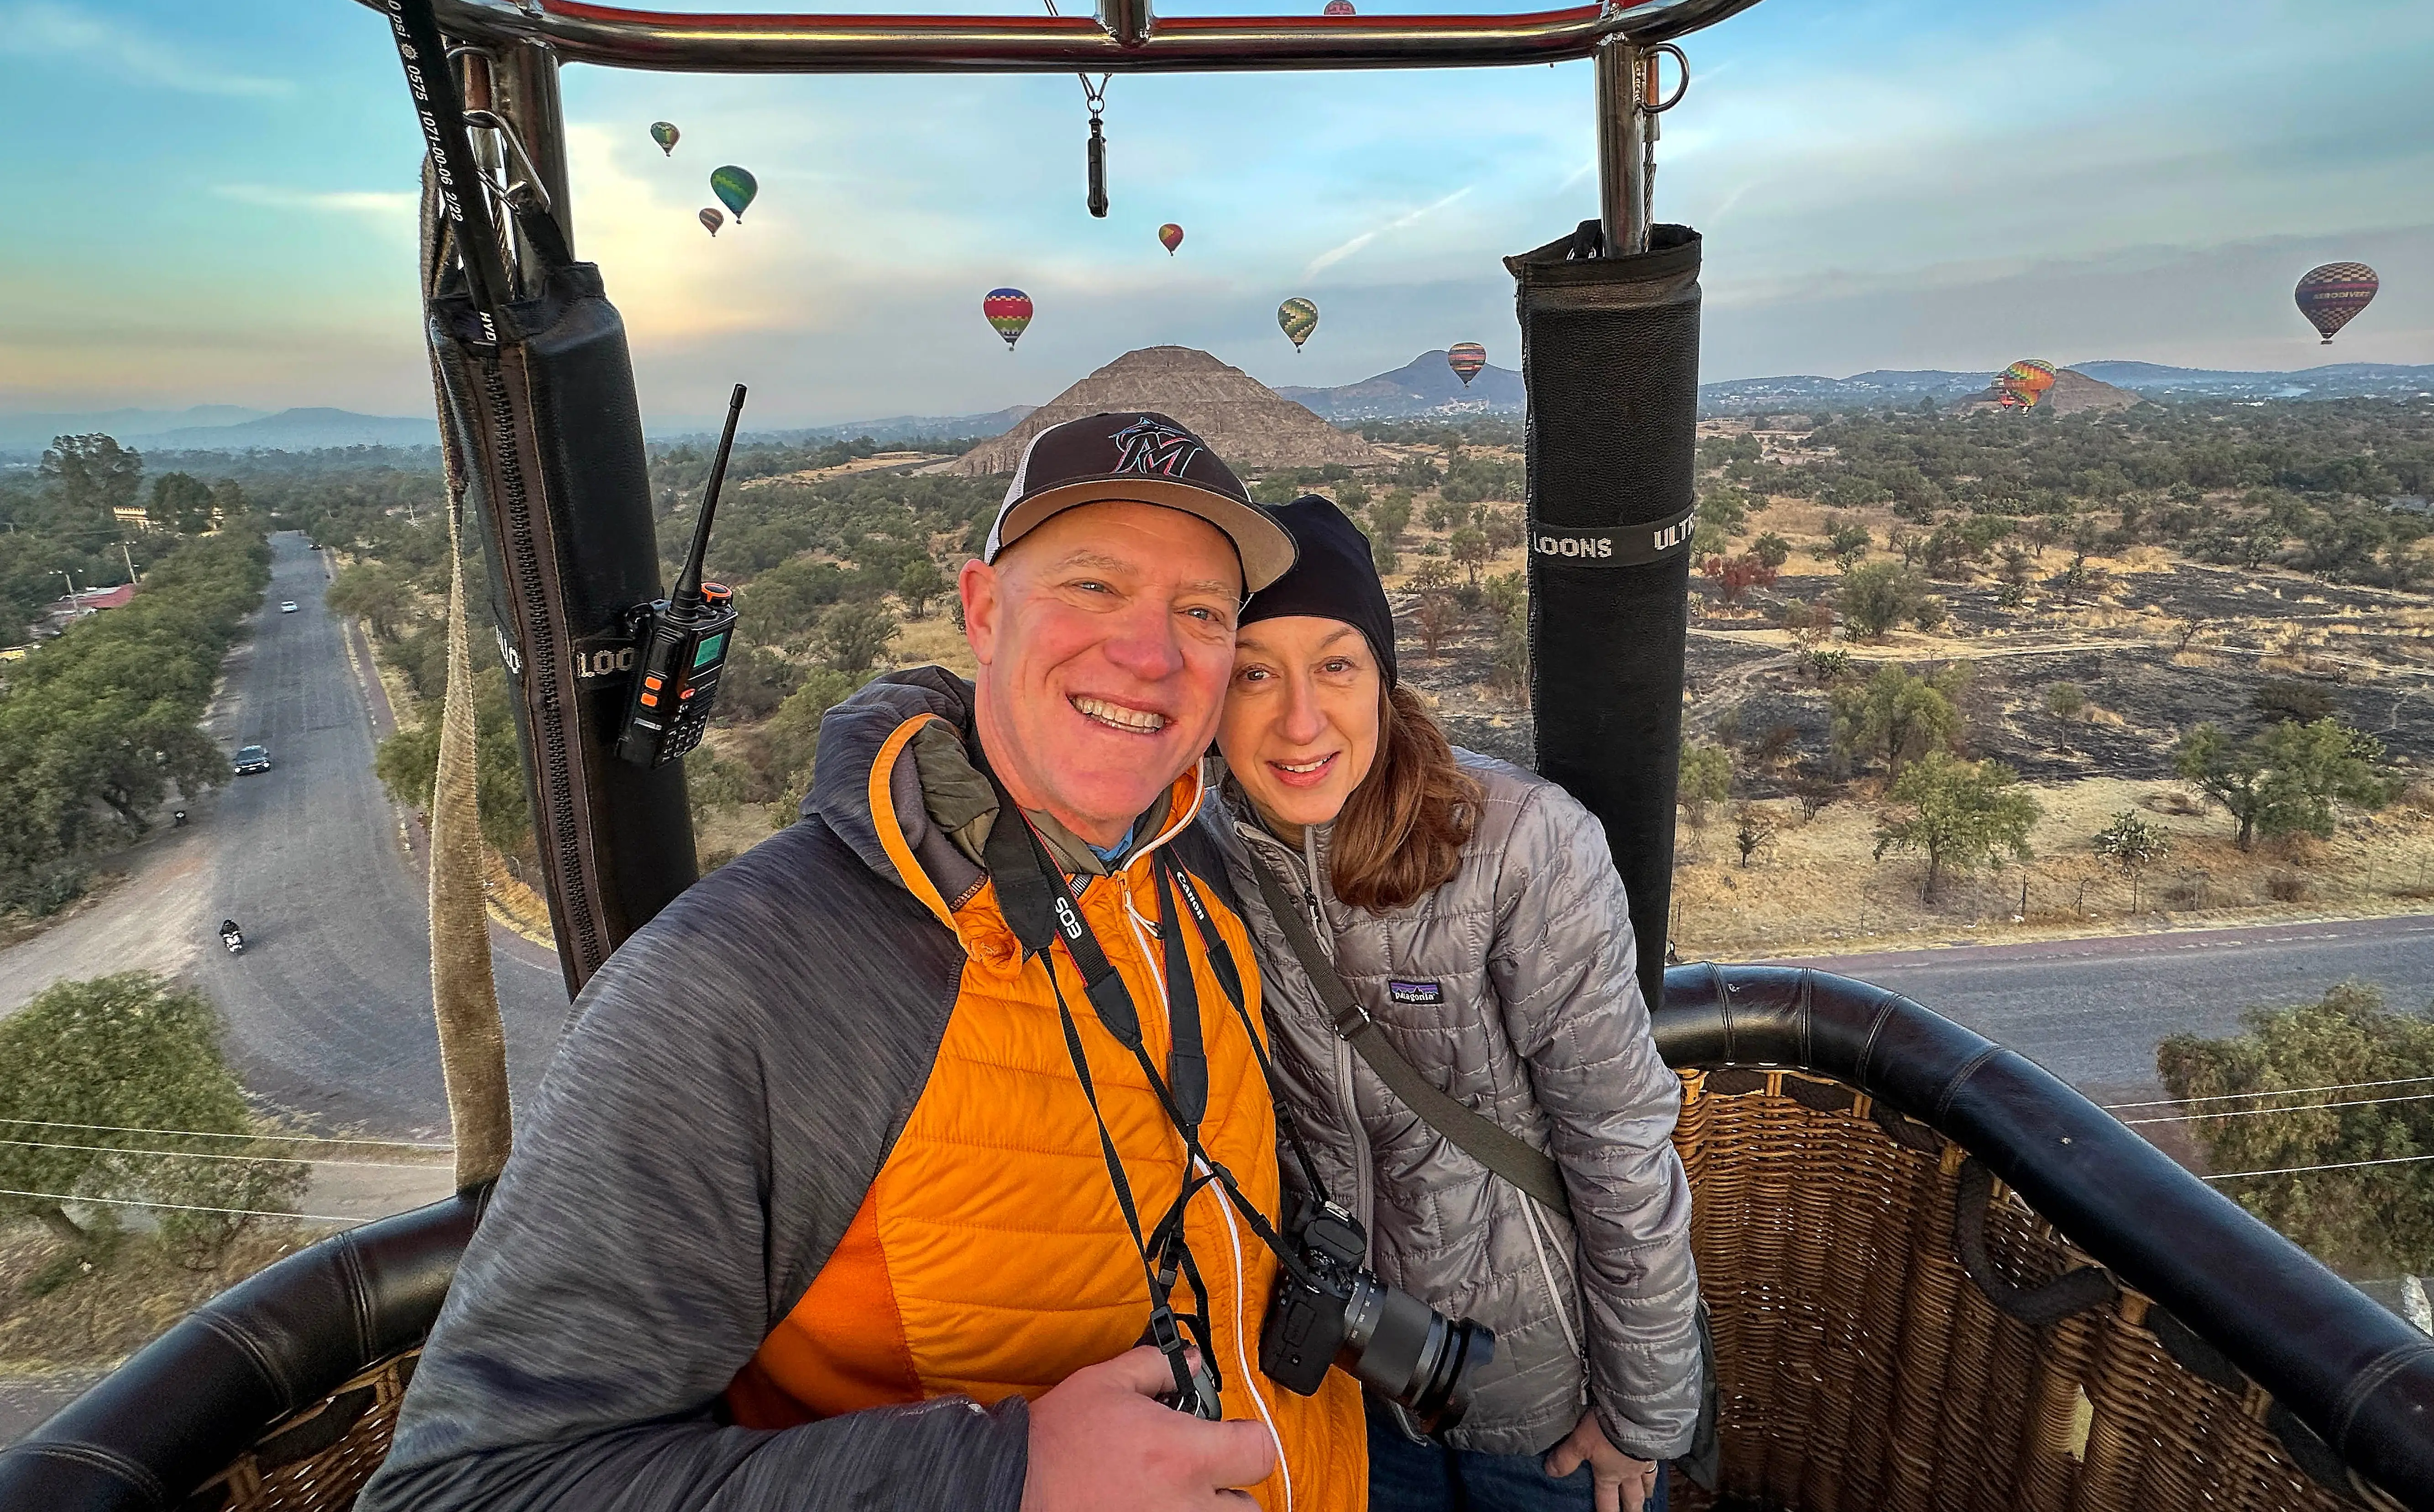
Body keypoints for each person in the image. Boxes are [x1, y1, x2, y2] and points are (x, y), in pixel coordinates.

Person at [360, 414, 1364, 1512]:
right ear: (982, 610)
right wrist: (998, 1478)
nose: (1152, 654)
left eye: (1202, 612)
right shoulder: (739, 985)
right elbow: (465, 1488)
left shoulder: (1196, 873)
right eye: (1091, 585)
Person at [1209, 497, 1700, 1512]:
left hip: (1551, 1408)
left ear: (1383, 676)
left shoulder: (1520, 844)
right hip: (1348, 1386)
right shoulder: (1195, 852)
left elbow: (1617, 1137)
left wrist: (1640, 1415)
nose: (1298, 718)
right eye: (1253, 670)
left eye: (1336, 664)